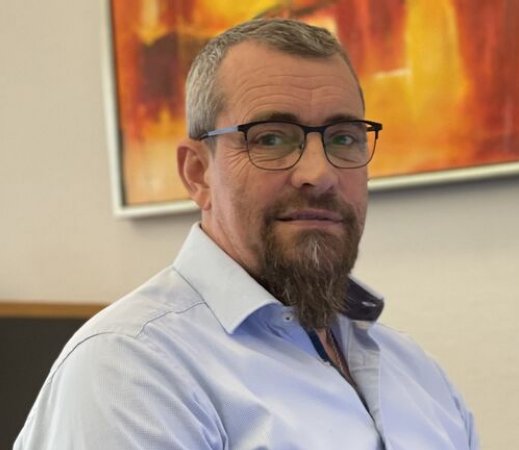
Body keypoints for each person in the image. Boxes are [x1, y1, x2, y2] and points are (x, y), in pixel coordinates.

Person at [14, 19, 478, 449]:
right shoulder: (133, 369)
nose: (319, 174)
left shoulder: (414, 371)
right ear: (198, 173)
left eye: (343, 138)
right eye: (271, 138)